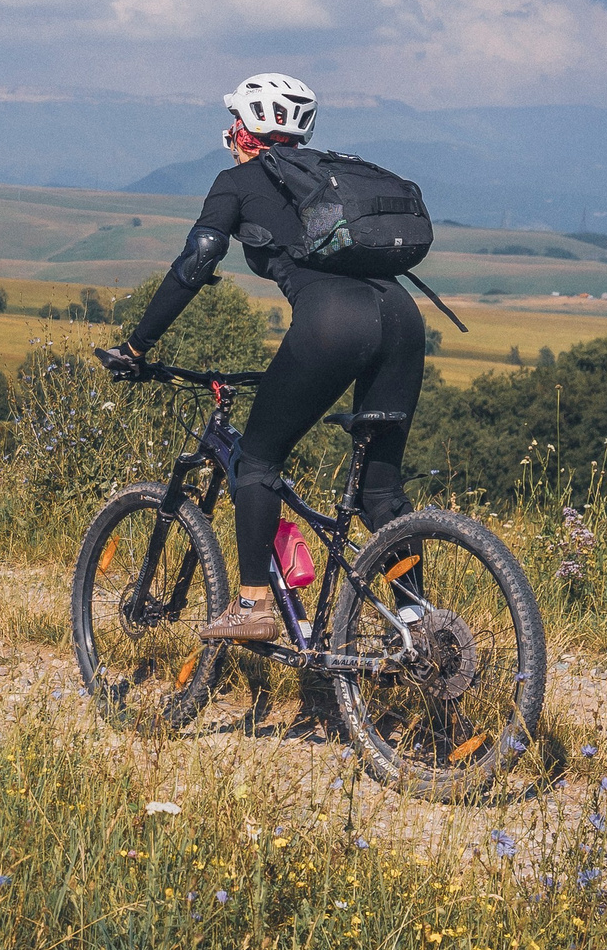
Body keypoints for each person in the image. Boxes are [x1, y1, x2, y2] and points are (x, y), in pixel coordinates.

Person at [101, 74, 425, 644]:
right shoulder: (328, 176)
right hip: (403, 318)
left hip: (332, 323)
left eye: (234, 123)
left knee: (256, 461)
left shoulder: (238, 181)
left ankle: (252, 604)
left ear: (245, 129)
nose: (229, 134)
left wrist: (136, 347)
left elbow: (196, 262)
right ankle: (420, 625)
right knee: (381, 491)